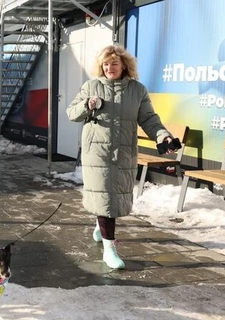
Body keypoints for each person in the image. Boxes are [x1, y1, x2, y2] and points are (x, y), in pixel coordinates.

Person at [66, 44, 178, 270]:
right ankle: (110, 249)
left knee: (112, 198)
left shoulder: (137, 90)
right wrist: (87, 106)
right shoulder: (92, 86)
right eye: (105, 64)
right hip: (96, 151)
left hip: (124, 151)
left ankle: (101, 226)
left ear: (125, 65)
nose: (109, 68)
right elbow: (71, 113)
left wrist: (163, 136)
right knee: (105, 195)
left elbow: (149, 119)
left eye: (114, 64)